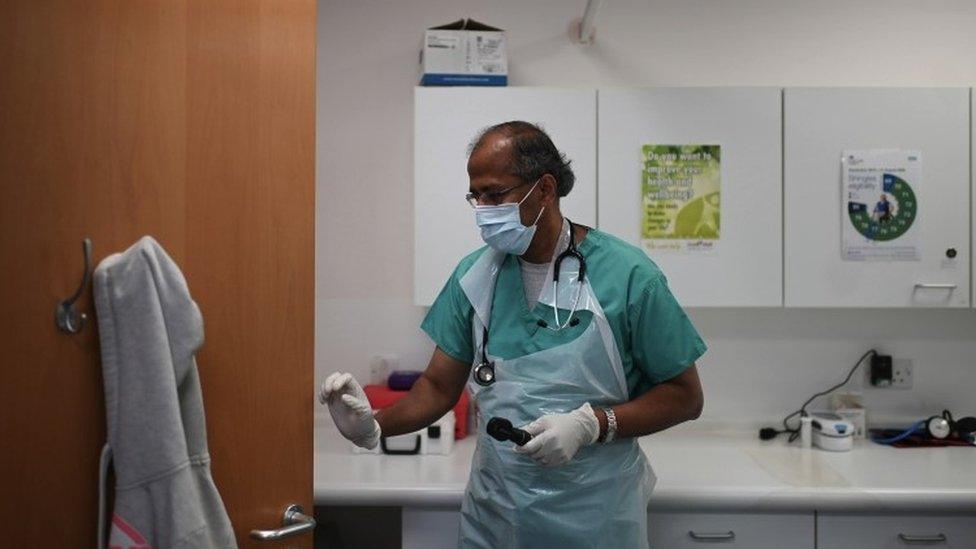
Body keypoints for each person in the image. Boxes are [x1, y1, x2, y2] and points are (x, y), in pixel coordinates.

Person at [320, 121, 706, 549]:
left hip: (595, 518)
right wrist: (373, 427)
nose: (483, 208)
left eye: (495, 194)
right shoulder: (474, 276)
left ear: (544, 190)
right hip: (496, 516)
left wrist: (592, 424)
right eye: (476, 195)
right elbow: (436, 387)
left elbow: (685, 395)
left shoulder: (629, 276)